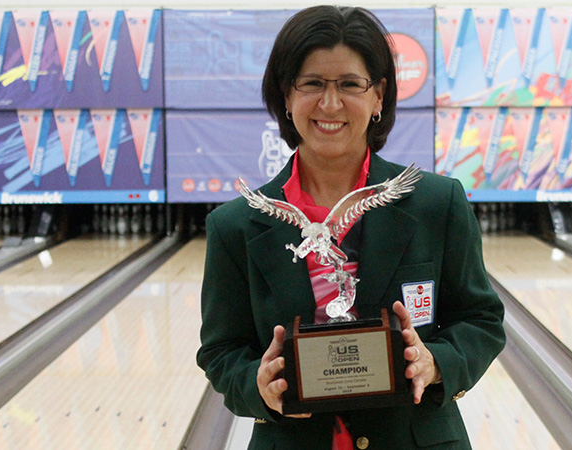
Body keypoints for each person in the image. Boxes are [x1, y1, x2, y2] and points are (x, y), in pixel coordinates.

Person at [197, 5, 505, 449]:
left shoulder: (438, 203)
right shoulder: (235, 226)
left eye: (348, 85)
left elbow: (481, 319)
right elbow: (221, 352)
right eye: (312, 84)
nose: (330, 103)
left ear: (378, 95)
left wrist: (435, 362)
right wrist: (257, 385)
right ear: (286, 95)